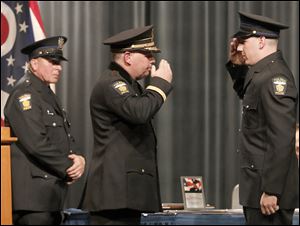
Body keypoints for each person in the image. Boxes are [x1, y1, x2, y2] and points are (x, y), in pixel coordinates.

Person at [82, 25, 173, 225]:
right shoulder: (113, 83)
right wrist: (160, 85)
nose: (152, 60)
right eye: (147, 54)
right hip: (114, 195)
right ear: (128, 56)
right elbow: (139, 112)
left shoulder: (130, 84)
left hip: (124, 195)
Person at [226, 11, 299, 225]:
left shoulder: (275, 77)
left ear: (260, 41)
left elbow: (282, 137)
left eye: (243, 41)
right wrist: (235, 64)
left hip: (268, 194)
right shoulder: (261, 73)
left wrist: (271, 190)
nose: (239, 47)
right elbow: (246, 96)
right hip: (258, 188)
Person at [4, 36, 86, 225]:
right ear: (34, 63)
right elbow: (36, 143)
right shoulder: (24, 94)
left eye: (60, 63)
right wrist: (68, 167)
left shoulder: (45, 92)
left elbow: (63, 134)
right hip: (32, 200)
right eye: (52, 62)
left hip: (49, 196)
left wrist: (79, 158)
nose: (59, 68)